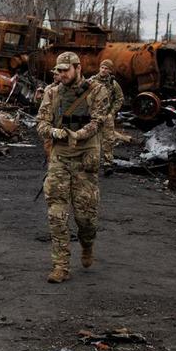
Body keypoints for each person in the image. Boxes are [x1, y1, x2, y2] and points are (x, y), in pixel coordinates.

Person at [35, 52, 109, 283]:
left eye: (66, 70)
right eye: (58, 70)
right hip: (60, 159)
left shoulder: (97, 91)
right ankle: (61, 265)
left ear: (78, 68)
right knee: (56, 214)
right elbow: (41, 122)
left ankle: (87, 244)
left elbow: (98, 121)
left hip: (85, 158)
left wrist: (77, 135)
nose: (61, 74)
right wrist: (53, 132)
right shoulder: (52, 92)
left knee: (86, 218)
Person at [93, 60, 125, 168]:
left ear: (110, 71)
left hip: (107, 115)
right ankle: (92, 162)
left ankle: (108, 163)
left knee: (108, 140)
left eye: (106, 68)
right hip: (93, 116)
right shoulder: (92, 81)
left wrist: (112, 112)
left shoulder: (113, 84)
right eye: (102, 67)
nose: (103, 70)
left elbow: (119, 99)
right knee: (91, 139)